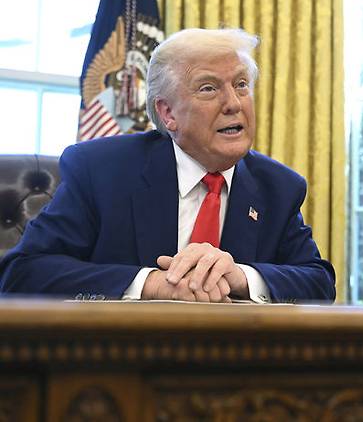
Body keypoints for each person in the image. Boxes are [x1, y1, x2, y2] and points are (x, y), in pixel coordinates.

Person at [0, 28, 336, 303]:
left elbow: (318, 282)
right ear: (167, 113)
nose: (234, 104)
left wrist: (241, 276)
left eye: (241, 85)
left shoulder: (278, 187)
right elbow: (23, 272)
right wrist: (152, 284)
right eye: (209, 88)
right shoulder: (101, 171)